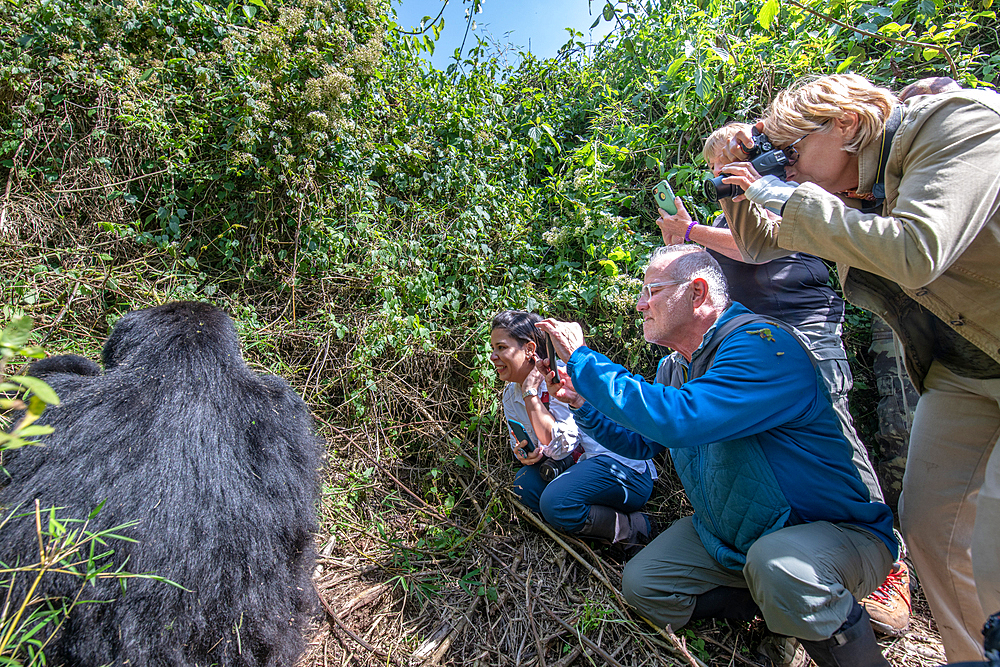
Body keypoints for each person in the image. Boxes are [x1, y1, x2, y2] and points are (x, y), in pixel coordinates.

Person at [712, 73, 1000, 662]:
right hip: (961, 371)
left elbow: (917, 252)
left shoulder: (959, 125)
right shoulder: (851, 189)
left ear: (844, 123)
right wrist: (736, 183)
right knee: (930, 530)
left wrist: (784, 192)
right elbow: (765, 244)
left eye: (792, 153)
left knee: (993, 549)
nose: (786, 167)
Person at [537, 245, 897, 666]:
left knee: (778, 565)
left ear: (697, 293)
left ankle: (824, 621)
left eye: (651, 290)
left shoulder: (761, 345)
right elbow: (643, 443)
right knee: (644, 585)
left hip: (830, 532)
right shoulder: (675, 368)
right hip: (733, 538)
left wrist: (584, 360)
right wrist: (582, 403)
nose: (639, 305)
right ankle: (777, 610)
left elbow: (680, 419)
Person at [656, 122, 911, 637]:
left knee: (840, 441)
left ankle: (888, 565)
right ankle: (793, 564)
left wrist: (689, 234)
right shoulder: (737, 197)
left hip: (806, 331)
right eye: (713, 164)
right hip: (762, 344)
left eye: (726, 157)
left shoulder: (791, 185)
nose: (721, 170)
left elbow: (763, 246)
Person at [489, 310, 656, 551]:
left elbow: (561, 447)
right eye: (493, 348)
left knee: (556, 502)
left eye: (501, 348)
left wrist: (531, 395)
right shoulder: (510, 394)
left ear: (529, 349)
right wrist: (524, 453)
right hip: (577, 467)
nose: (493, 356)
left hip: (623, 467)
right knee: (524, 488)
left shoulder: (561, 378)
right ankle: (583, 527)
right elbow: (530, 441)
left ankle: (632, 529)